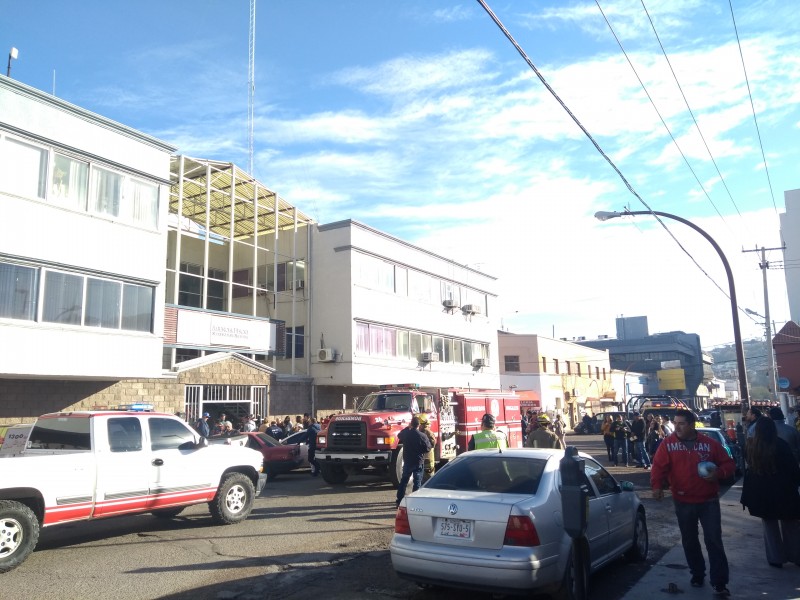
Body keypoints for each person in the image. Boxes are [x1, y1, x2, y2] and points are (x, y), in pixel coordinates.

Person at [651, 409, 735, 597]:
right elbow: (658, 467)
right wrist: (657, 487)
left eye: (681, 423)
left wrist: (719, 474)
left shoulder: (710, 444)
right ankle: (697, 573)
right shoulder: (668, 444)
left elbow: (729, 464)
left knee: (713, 540)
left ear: (691, 425)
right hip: (683, 501)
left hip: (709, 501)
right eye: (675, 423)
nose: (676, 427)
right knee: (689, 541)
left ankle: (719, 583)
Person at [740, 416, 800, 567]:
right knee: (791, 525)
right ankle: (796, 555)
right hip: (784, 492)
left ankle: (775, 558)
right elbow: (793, 469)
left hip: (762, 494)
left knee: (769, 527)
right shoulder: (781, 445)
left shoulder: (751, 447)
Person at [395, 416, 432, 507]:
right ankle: (414, 502)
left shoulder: (406, 434)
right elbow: (428, 448)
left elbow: (399, 435)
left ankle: (399, 500)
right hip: (418, 462)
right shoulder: (422, 436)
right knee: (417, 483)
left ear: (411, 424)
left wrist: (407, 427)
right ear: (419, 425)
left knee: (404, 481)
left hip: (407, 461)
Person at [418, 413, 437, 481]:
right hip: (425, 461)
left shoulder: (426, 432)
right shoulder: (424, 432)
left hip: (428, 461)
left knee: (428, 481)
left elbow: (433, 443)